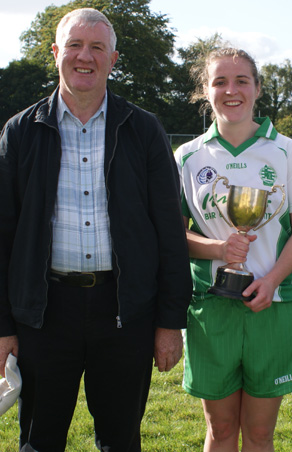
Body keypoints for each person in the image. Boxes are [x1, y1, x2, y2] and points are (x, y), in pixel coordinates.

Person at [0, 8, 192, 452]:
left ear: (113, 59)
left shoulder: (143, 129)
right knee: (39, 440)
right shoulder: (20, 131)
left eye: (97, 47)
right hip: (44, 313)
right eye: (74, 45)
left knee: (121, 441)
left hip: (124, 312)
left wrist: (169, 322)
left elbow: (168, 230)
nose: (84, 56)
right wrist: (4, 324)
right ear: (55, 53)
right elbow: (4, 236)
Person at [174, 47, 292, 452]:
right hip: (211, 308)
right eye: (219, 81)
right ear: (205, 90)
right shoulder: (187, 157)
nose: (231, 90)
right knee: (220, 431)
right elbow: (172, 237)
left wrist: (272, 280)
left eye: (242, 80)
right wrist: (219, 248)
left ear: (257, 88)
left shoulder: (285, 149)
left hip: (271, 307)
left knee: (259, 434)